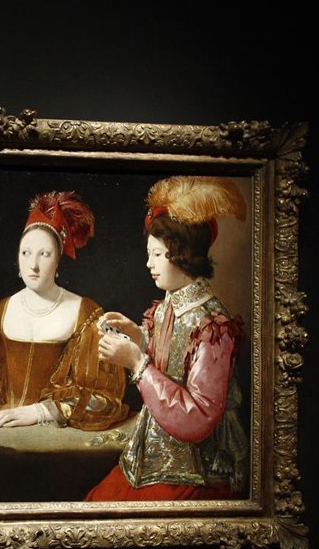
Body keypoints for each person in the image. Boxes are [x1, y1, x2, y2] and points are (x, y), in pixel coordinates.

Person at [86, 176, 249, 501]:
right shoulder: (168, 306)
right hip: (155, 457)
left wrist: (136, 362)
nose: (149, 264)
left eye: (157, 255)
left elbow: (199, 417)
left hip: (196, 470)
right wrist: (137, 335)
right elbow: (171, 361)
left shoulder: (212, 325)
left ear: (182, 255)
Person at [0, 192, 129, 430]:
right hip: (6, 430)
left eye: (44, 254)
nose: (33, 265)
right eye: (26, 253)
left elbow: (104, 399)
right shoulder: (0, 312)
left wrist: (41, 411)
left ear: (57, 260)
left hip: (58, 438)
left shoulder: (86, 314)